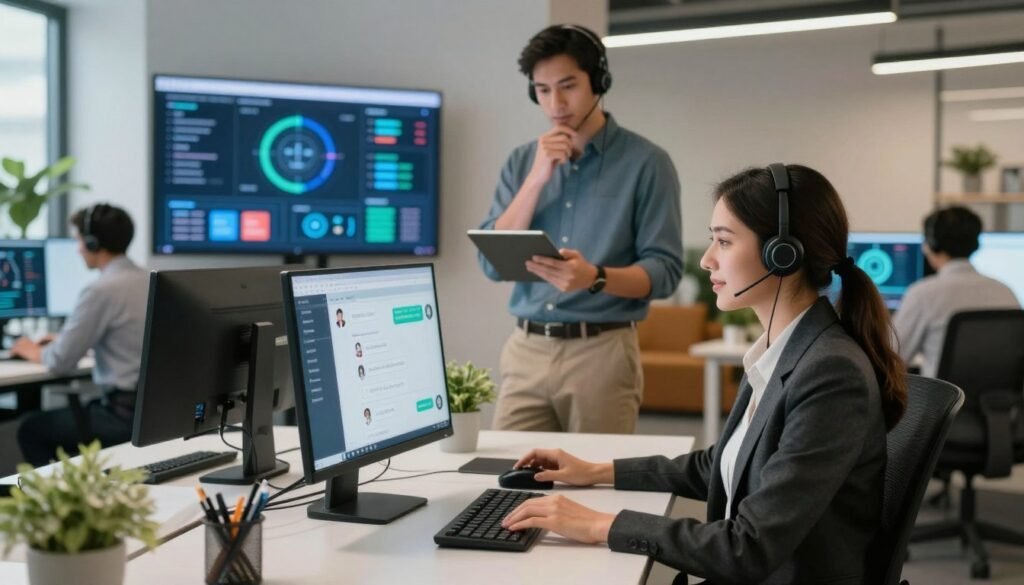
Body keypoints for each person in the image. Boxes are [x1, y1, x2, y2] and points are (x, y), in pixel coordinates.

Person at [500, 165, 907, 584]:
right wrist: (596, 470)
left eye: (724, 241)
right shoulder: (781, 350)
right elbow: (720, 465)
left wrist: (600, 524)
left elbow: (746, 548)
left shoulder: (830, 372)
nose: (709, 258)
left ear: (782, 253)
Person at [477, 24, 683, 434]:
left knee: (595, 490)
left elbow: (665, 272)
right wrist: (537, 178)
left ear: (599, 81)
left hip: (602, 352)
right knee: (511, 485)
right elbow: (491, 265)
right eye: (542, 89)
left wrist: (596, 278)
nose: (556, 103)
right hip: (525, 351)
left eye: (567, 86)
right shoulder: (522, 162)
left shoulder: (647, 163)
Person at [14, 204, 149, 466]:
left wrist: (33, 351)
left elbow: (60, 361)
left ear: (92, 242)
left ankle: (58, 499)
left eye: (78, 240)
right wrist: (64, 340)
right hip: (149, 411)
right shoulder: (147, 279)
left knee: (31, 430)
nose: (77, 248)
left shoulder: (101, 290)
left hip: (121, 415)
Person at [894, 205, 1019, 377]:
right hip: (997, 403)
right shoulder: (1006, 292)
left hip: (946, 403)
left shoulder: (922, 294)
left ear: (932, 244)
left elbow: (892, 359)